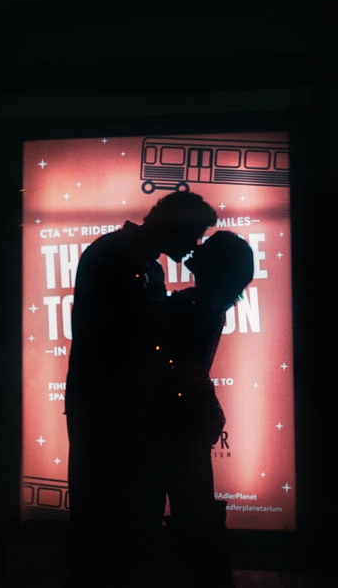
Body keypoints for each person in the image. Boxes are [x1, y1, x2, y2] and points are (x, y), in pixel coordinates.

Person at [65, 190, 216, 586]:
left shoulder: (129, 258)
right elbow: (122, 336)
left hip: (114, 409)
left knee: (116, 517)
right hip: (108, 411)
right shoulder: (117, 257)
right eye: (194, 233)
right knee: (109, 516)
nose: (194, 244)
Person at [149, 231, 254, 587]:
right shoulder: (210, 305)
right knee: (195, 511)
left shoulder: (193, 305)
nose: (195, 249)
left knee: (185, 512)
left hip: (172, 418)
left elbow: (167, 360)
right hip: (188, 415)